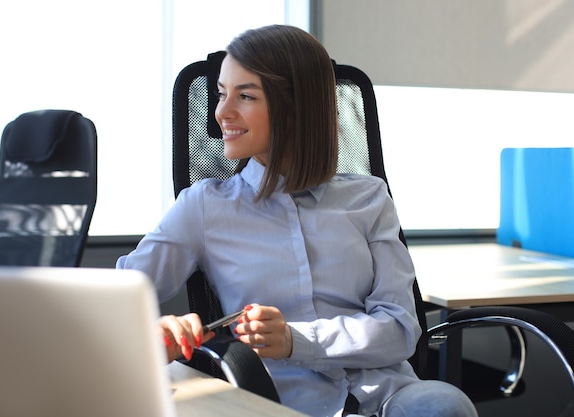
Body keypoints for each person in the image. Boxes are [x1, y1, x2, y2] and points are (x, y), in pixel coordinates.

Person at [117, 24, 477, 417]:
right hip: (278, 402)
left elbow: (401, 330)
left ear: (296, 108)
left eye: (246, 95)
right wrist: (156, 331)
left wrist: (295, 339)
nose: (222, 112)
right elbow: (117, 300)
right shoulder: (204, 206)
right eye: (221, 94)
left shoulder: (369, 198)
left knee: (446, 406)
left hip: (387, 398)